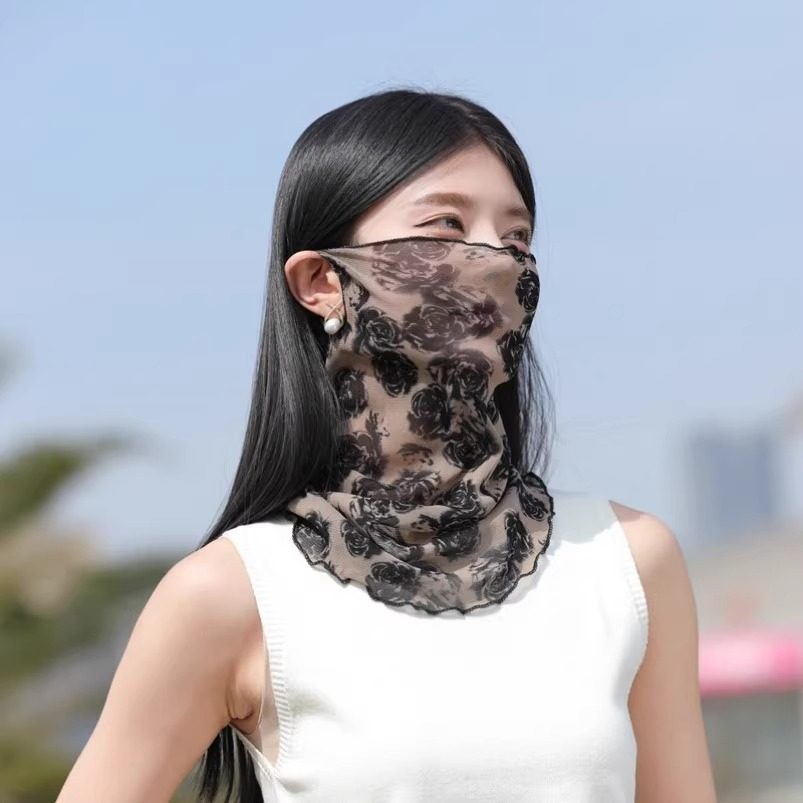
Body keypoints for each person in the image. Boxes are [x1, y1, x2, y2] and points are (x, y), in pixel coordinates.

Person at [56, 88, 717, 802]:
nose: (496, 259)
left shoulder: (627, 561)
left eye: (517, 238)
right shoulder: (231, 594)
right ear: (321, 282)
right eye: (446, 225)